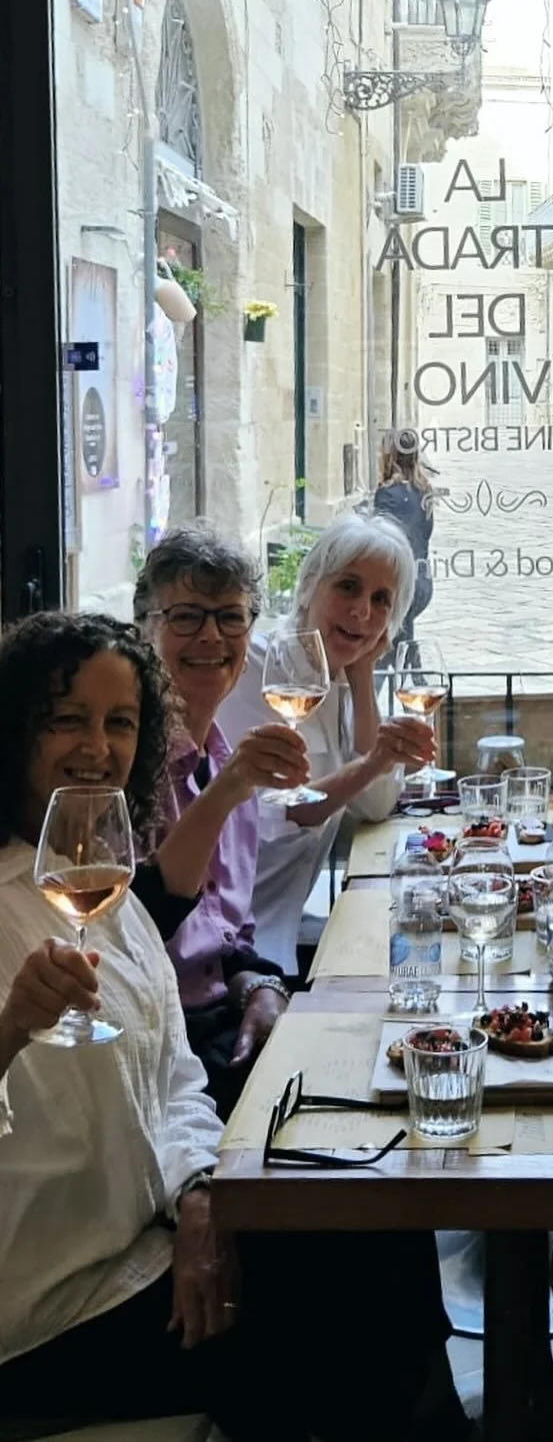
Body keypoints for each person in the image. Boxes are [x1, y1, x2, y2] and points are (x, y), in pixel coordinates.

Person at [0, 612, 463, 1440]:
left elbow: (176, 1079)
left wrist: (199, 1197)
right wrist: (10, 1030)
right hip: (49, 1307)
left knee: (377, 1220)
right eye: (65, 719)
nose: (96, 747)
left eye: (120, 723)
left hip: (145, 1245)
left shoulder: (100, 885)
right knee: (336, 1306)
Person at [134, 526, 311, 1118]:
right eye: (186, 616)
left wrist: (262, 986)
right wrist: (230, 788)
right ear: (145, 628)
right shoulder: (125, 766)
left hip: (222, 1023)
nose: (211, 636)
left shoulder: (224, 757)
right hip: (157, 1044)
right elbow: (133, 928)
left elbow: (228, 938)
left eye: (230, 617)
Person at [219, 513, 435, 975]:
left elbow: (375, 803)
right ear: (309, 586)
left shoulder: (337, 679)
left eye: (381, 600)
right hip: (233, 950)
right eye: (348, 587)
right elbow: (277, 816)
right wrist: (377, 759)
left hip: (281, 933)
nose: (362, 612)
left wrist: (362, 676)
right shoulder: (257, 669)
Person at [371, 426, 435, 654]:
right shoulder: (423, 490)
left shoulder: (387, 493)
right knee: (399, 645)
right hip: (422, 582)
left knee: (388, 651)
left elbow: (384, 544)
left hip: (400, 584)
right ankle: (410, 664)